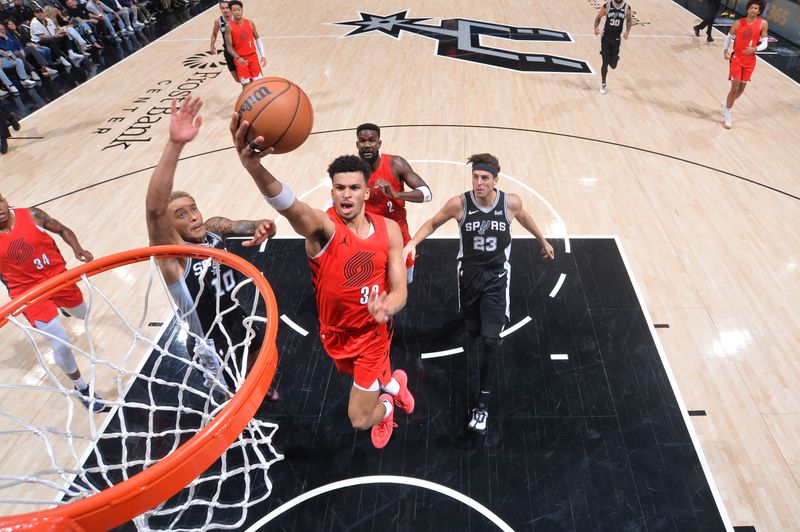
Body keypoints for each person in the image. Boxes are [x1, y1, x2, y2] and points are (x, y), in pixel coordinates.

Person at [230, 107, 415, 450]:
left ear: (366, 192)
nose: (346, 194)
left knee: (360, 418)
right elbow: (292, 207)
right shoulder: (323, 229)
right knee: (375, 379)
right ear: (331, 192)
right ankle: (394, 385)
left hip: (373, 335)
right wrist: (255, 168)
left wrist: (388, 306)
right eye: (339, 188)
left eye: (354, 188)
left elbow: (401, 288)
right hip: (335, 333)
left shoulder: (389, 230)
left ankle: (388, 406)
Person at [403, 153, 555, 434]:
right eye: (475, 177)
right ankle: (474, 340)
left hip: (497, 280)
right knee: (472, 331)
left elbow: (523, 217)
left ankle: (482, 404)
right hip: (468, 279)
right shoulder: (459, 204)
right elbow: (433, 223)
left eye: (485, 178)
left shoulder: (510, 202)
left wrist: (542, 239)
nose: (479, 182)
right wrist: (412, 243)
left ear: (496, 180)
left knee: (489, 340)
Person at [145, 96, 279, 399]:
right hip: (210, 336)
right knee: (234, 395)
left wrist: (262, 225)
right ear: (169, 228)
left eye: (193, 209)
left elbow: (239, 225)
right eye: (181, 214)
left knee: (257, 348)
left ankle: (262, 386)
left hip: (235, 314)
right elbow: (154, 211)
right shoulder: (174, 257)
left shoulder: (212, 231)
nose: (193, 216)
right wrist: (175, 145)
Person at [0, 193, 106, 411]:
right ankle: (81, 387)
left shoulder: (32, 214)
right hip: (29, 293)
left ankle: (64, 308)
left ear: (5, 199)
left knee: (82, 314)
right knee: (61, 344)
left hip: (58, 278)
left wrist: (78, 249)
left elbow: (63, 229)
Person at [356, 123, 432, 282]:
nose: (367, 145)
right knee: (374, 285)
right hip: (370, 237)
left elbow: (426, 194)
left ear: (379, 143)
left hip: (399, 235)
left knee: (403, 283)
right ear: (357, 144)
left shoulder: (395, 164)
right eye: (362, 141)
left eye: (372, 140)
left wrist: (397, 194)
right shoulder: (353, 171)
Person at [721, 0, 768, 129]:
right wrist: (726, 50)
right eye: (751, 7)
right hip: (737, 57)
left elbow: (765, 42)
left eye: (756, 8)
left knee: (741, 90)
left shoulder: (763, 24)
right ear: (747, 9)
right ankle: (727, 115)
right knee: (735, 87)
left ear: (759, 11)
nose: (753, 10)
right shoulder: (737, 23)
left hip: (750, 60)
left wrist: (755, 49)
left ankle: (725, 104)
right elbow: (728, 37)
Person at [594, 0, 632, 95]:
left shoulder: (627, 7)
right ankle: (603, 83)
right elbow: (598, 17)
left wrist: (627, 31)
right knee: (605, 62)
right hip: (605, 38)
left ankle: (613, 57)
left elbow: (629, 19)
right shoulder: (607, 5)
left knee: (613, 65)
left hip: (616, 39)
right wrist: (595, 28)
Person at [224, 0, 265, 86]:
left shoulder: (250, 23)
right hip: (240, 59)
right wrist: (238, 58)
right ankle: (247, 99)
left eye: (238, 9)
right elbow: (229, 46)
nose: (237, 12)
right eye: (234, 10)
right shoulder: (229, 27)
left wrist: (263, 55)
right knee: (246, 85)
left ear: (242, 10)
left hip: (253, 57)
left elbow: (257, 39)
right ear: (231, 12)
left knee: (259, 83)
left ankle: (260, 100)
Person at [209, 0, 237, 83]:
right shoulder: (218, 21)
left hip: (239, 50)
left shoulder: (236, 18)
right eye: (223, 8)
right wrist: (212, 45)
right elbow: (214, 33)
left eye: (227, 8)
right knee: (237, 79)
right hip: (228, 52)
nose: (225, 10)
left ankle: (248, 93)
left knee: (245, 77)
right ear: (220, 9)